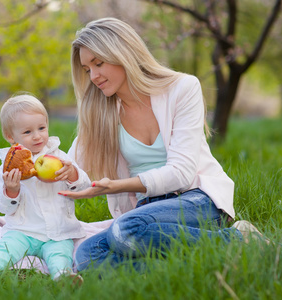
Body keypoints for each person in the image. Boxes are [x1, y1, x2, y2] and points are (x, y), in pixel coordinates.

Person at [59, 17, 269, 271]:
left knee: (125, 231)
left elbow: (181, 173)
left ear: (122, 53)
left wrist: (115, 187)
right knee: (86, 257)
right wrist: (21, 175)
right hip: (147, 210)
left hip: (196, 199)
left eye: (98, 63)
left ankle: (239, 239)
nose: (93, 76)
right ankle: (184, 268)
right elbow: (67, 168)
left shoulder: (182, 88)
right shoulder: (102, 113)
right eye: (87, 69)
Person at [0, 93, 91, 283]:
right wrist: (12, 190)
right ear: (10, 136)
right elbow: (3, 207)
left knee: (60, 254)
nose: (37, 136)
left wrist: (72, 174)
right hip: (23, 231)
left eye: (41, 128)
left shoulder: (59, 159)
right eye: (27, 132)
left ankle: (63, 277)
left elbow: (84, 187)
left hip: (58, 232)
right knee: (5, 250)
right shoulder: (9, 167)